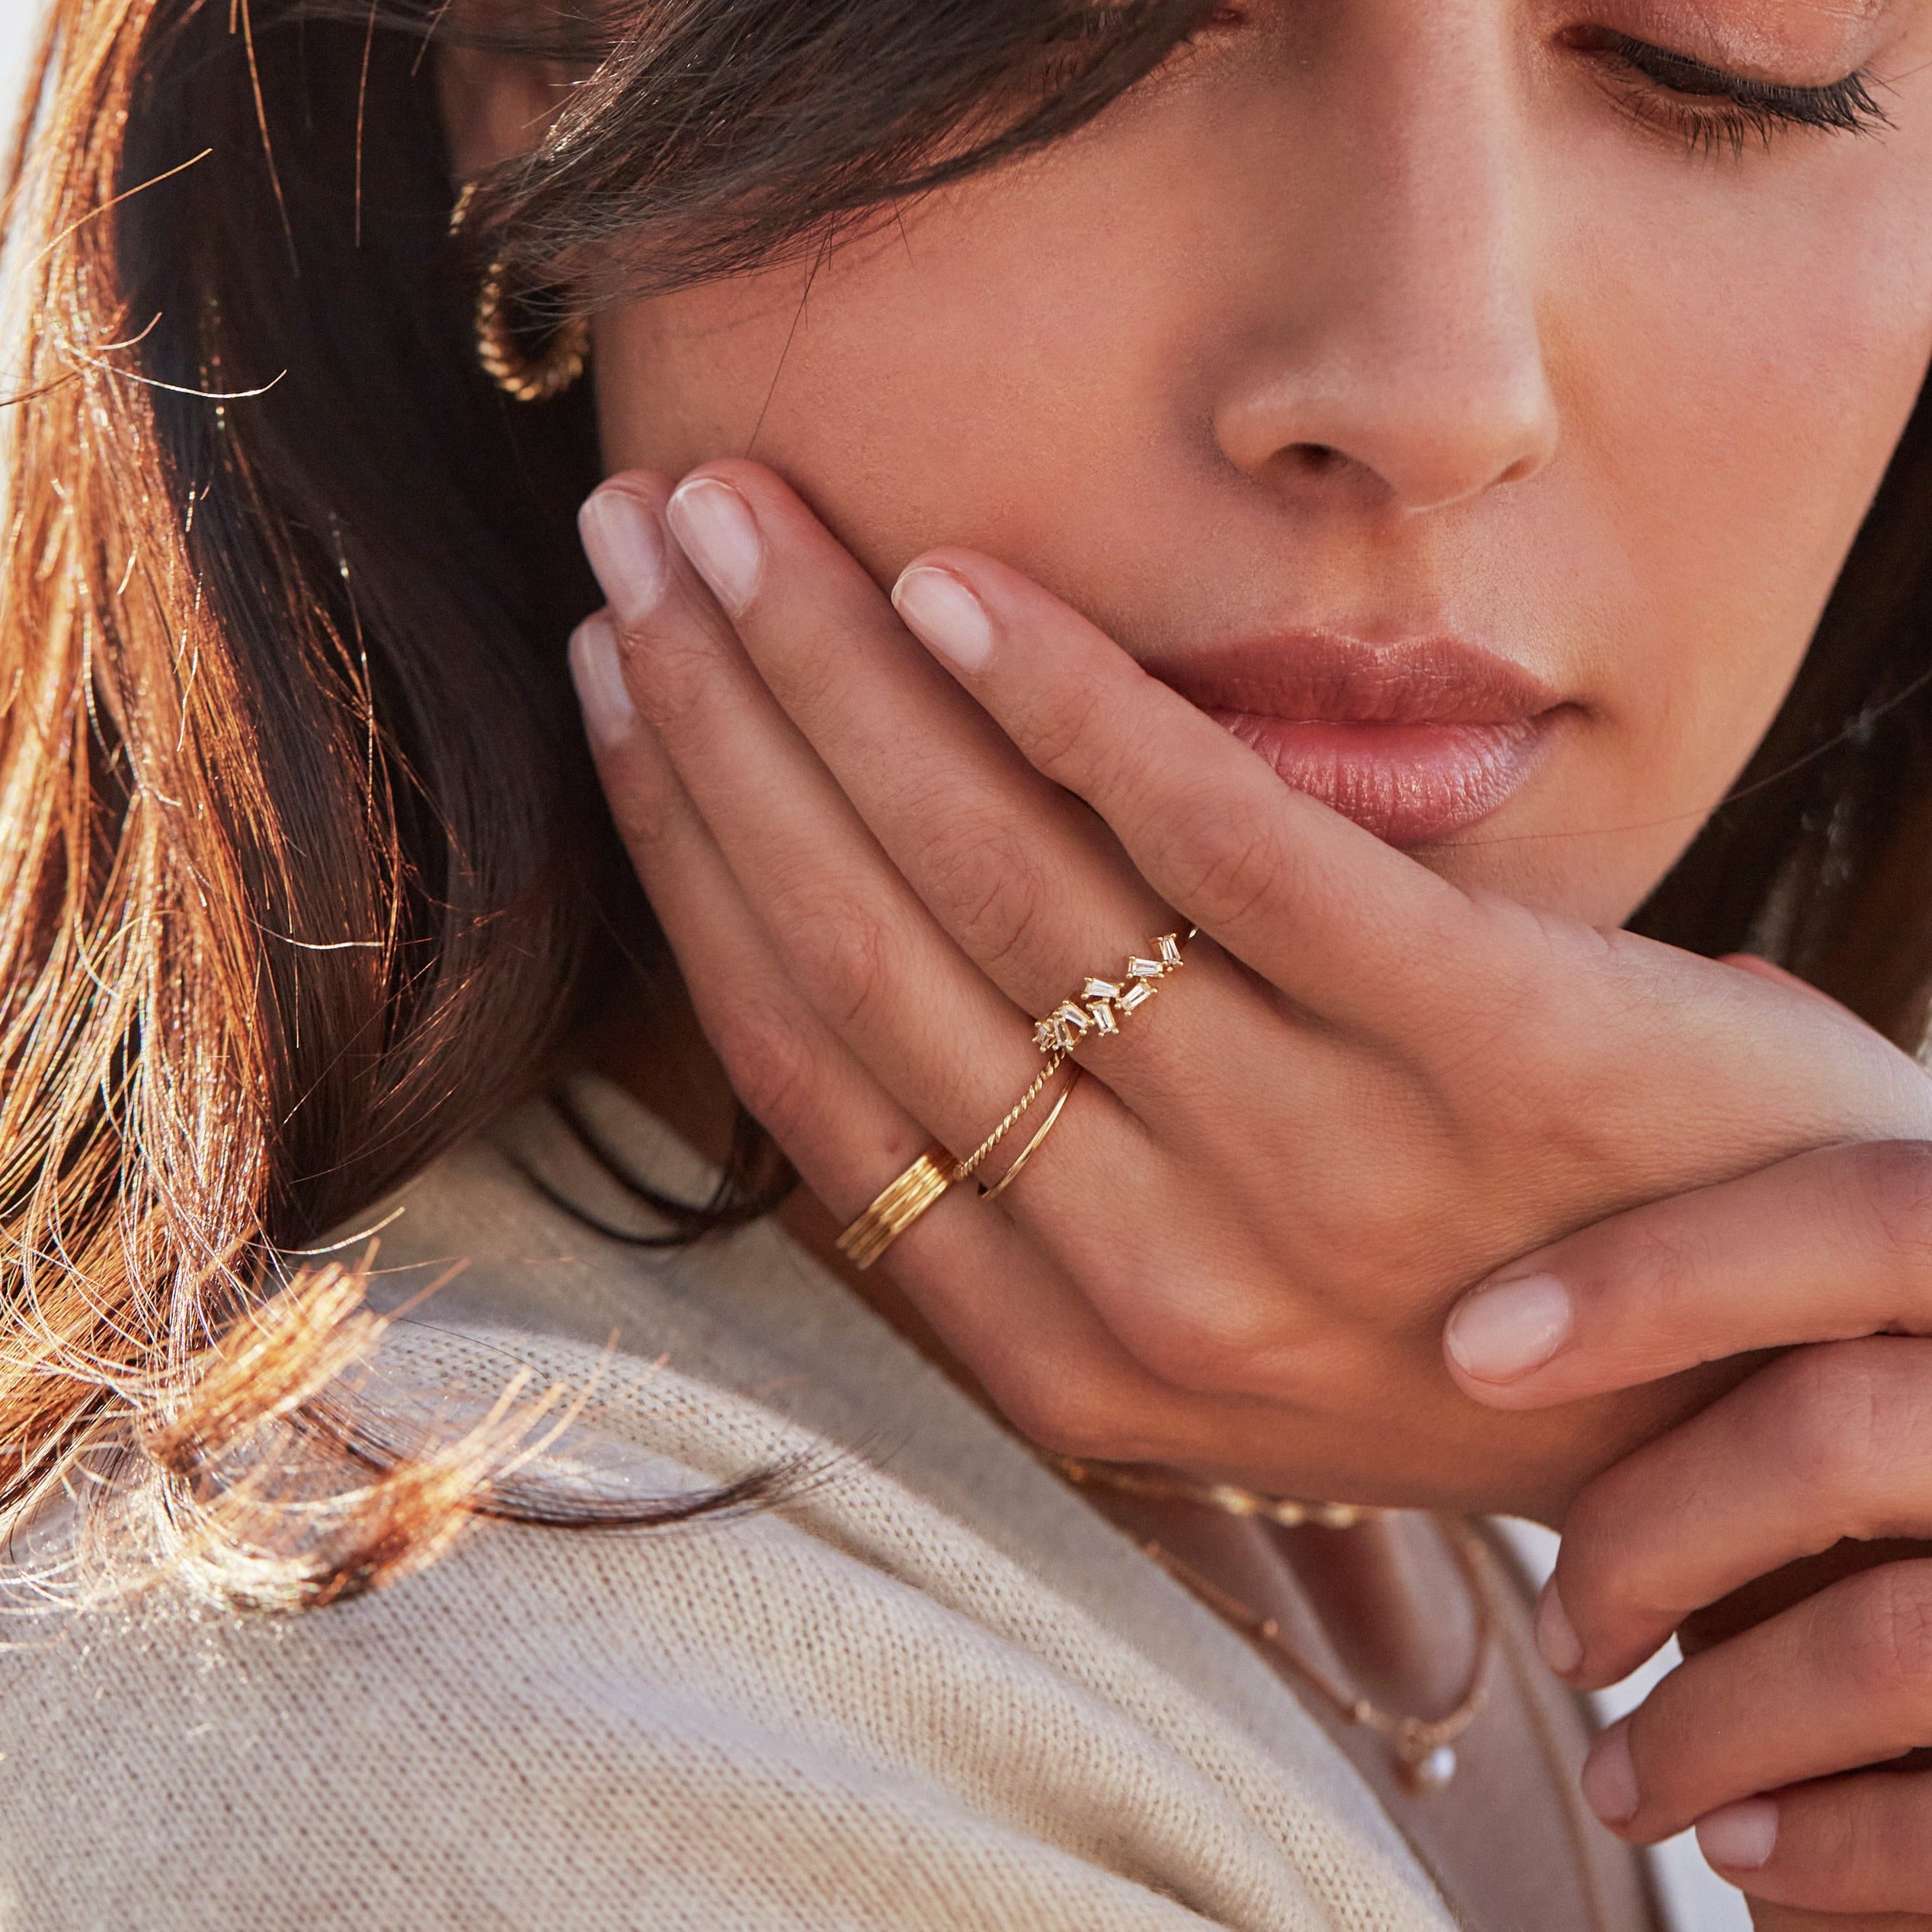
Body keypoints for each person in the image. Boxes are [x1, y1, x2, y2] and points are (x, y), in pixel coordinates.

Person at [3, 0, 1932, 1924]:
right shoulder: (487, 1726)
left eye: (1718, 48)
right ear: (533, 72)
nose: (1436, 387)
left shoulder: (1521, 1493)